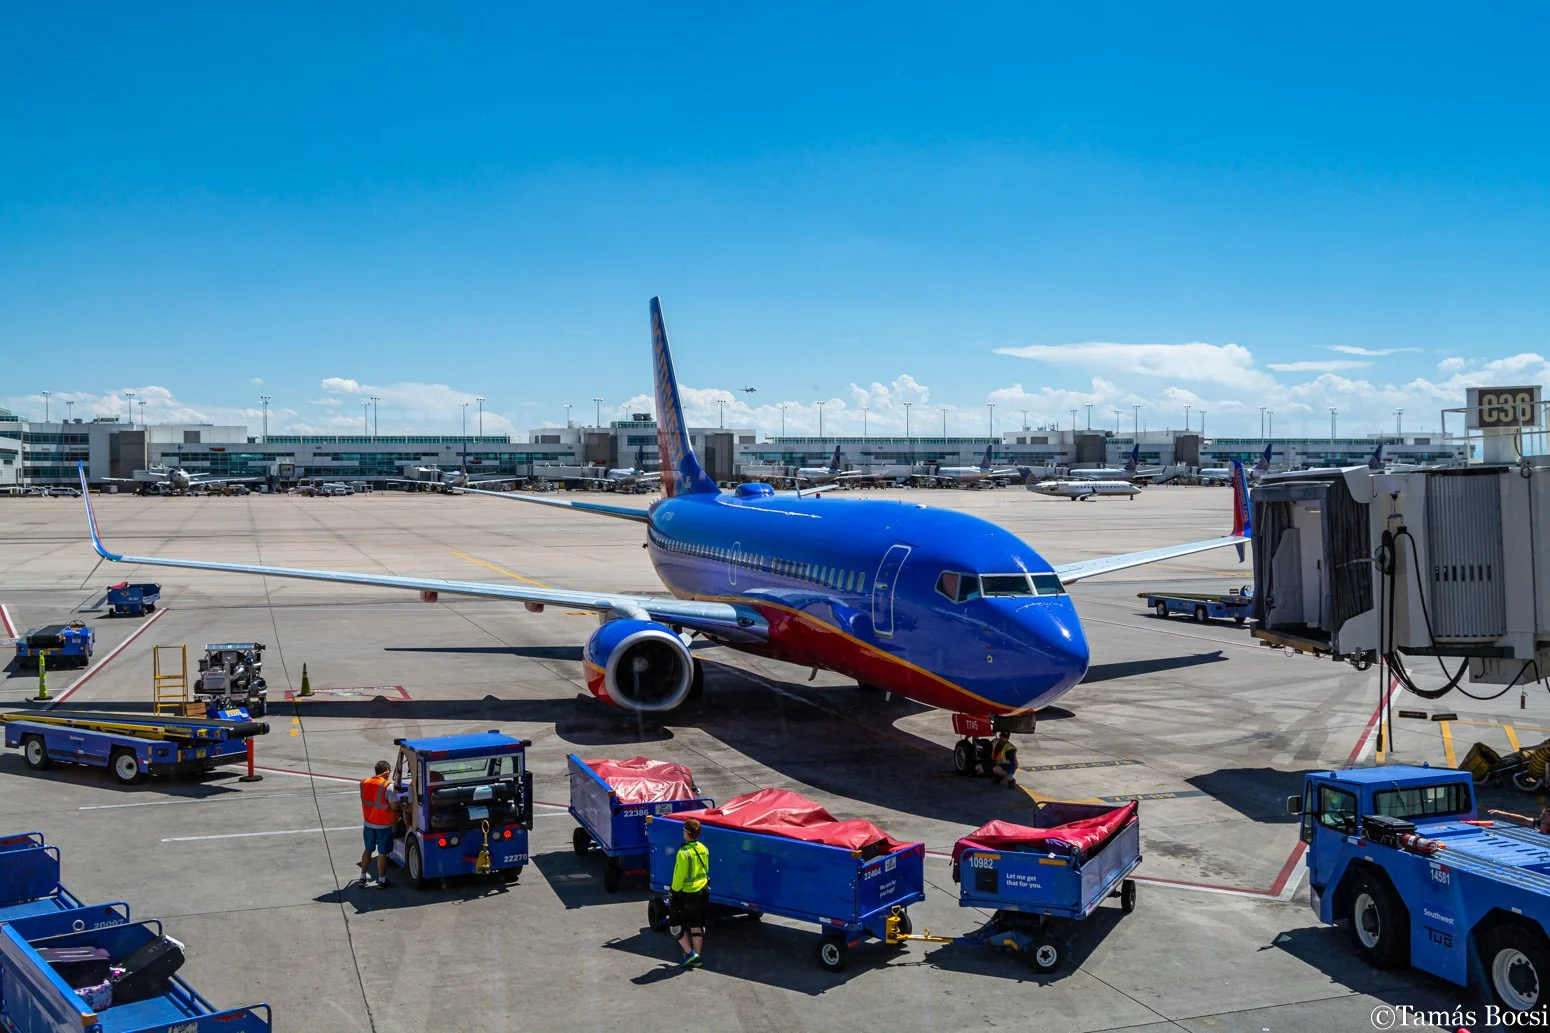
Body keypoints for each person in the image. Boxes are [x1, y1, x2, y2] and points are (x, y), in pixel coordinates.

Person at [671, 817, 710, 968]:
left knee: (675, 926)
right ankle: (698, 958)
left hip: (686, 894)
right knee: (696, 925)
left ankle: (690, 953)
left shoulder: (683, 853)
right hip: (702, 892)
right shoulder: (703, 848)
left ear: (687, 833)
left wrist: (674, 891)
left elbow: (678, 876)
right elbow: (706, 870)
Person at [359, 760, 400, 888]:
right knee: (382, 853)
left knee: (368, 849)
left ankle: (362, 877)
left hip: (368, 823)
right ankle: (382, 880)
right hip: (383, 825)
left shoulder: (364, 782)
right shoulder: (388, 786)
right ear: (387, 771)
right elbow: (394, 806)